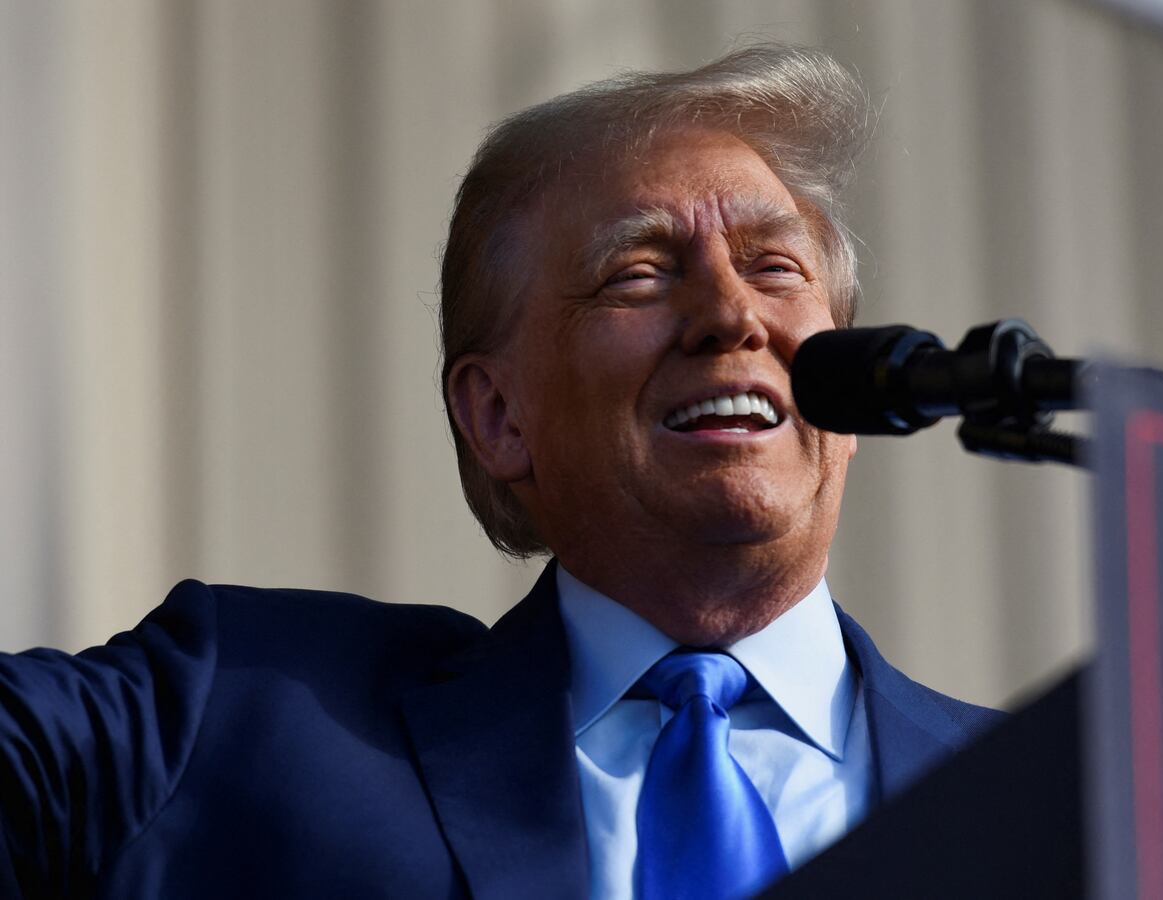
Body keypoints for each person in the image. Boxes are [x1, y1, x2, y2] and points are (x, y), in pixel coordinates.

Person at [0, 45, 1002, 899]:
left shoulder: (1063, 797)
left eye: (774, 267)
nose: (731, 315)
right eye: (639, 273)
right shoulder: (235, 714)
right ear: (497, 415)